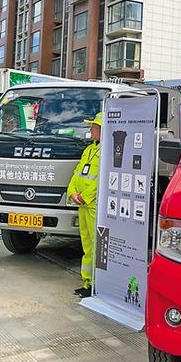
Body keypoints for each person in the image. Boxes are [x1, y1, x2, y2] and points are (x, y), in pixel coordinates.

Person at [67, 112, 102, 298]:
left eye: (93, 127)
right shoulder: (88, 150)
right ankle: (87, 281)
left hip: (93, 206)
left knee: (96, 245)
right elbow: (77, 173)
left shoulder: (107, 152)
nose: (91, 130)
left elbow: (100, 179)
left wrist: (85, 197)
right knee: (86, 244)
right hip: (83, 205)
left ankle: (96, 284)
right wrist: (72, 192)